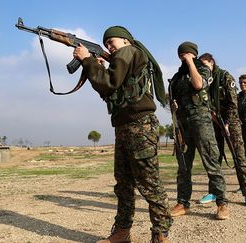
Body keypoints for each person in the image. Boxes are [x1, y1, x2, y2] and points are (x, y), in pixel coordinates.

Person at [73, 26, 172, 243]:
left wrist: (87, 60)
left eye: (112, 41)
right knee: (124, 183)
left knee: (149, 183)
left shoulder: (128, 52)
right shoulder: (123, 59)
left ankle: (160, 232)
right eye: (106, 43)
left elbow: (109, 83)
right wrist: (93, 66)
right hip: (124, 126)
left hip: (139, 125)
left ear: (126, 40)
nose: (109, 45)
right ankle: (122, 232)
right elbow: (109, 90)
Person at [168, 42, 229, 220]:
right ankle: (183, 203)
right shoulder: (178, 76)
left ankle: (222, 203)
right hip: (183, 123)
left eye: (186, 53)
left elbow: (197, 85)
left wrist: (191, 63)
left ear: (193, 54)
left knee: (211, 162)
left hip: (201, 121)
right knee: (184, 166)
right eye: (181, 54)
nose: (183, 56)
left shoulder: (203, 69)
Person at [197, 53, 246, 207]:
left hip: (231, 122)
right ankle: (214, 192)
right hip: (213, 121)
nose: (203, 68)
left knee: (239, 158)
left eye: (205, 65)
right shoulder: (203, 78)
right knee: (213, 158)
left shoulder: (224, 77)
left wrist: (227, 124)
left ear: (212, 62)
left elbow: (233, 103)